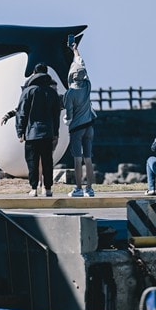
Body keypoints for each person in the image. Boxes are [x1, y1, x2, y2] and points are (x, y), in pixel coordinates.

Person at [14, 63, 61, 197]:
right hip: (48, 133)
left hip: (31, 133)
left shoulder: (28, 91)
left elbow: (21, 113)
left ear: (34, 73)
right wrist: (56, 133)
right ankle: (48, 189)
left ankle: (34, 188)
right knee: (47, 161)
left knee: (32, 161)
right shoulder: (52, 92)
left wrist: (20, 131)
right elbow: (56, 115)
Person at [63, 44, 96, 197]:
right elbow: (81, 63)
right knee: (88, 159)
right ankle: (90, 188)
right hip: (90, 127)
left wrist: (65, 120)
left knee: (77, 159)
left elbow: (68, 116)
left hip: (77, 128)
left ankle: (78, 188)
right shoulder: (88, 85)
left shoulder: (70, 93)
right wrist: (75, 50)